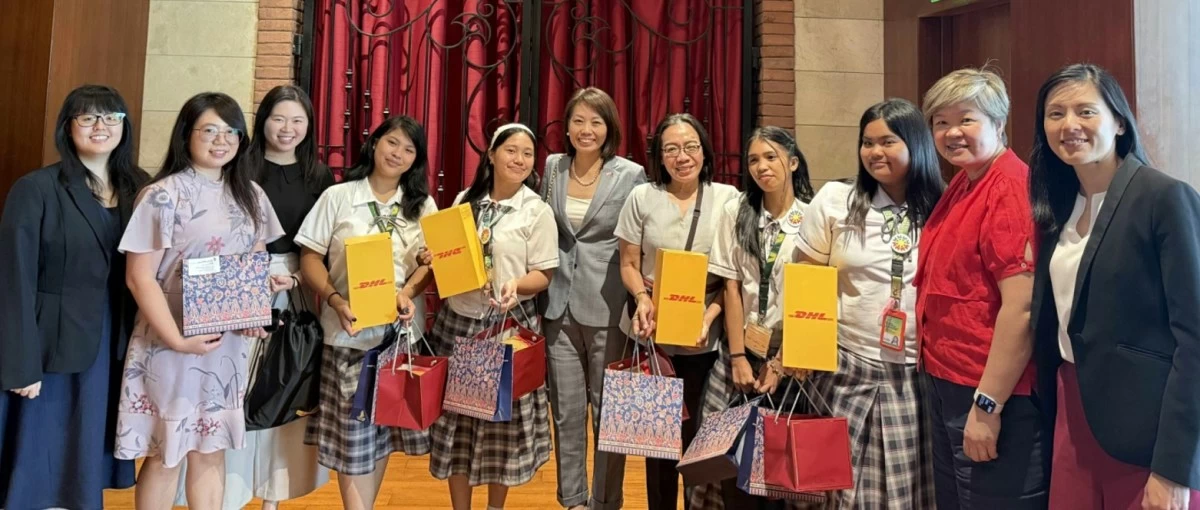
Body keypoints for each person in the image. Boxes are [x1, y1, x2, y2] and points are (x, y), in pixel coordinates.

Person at [1029, 63, 1200, 510]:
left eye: (1086, 111)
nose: (1069, 125)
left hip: (1146, 431)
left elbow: (1196, 339)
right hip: (1072, 408)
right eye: (1055, 113)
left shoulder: (1164, 198)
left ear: (1119, 122)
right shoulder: (1059, 204)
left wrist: (1175, 468)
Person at [115, 92, 285, 509]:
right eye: (209, 130)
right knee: (166, 452)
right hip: (169, 342)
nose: (221, 139)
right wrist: (176, 339)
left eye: (231, 131)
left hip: (224, 345)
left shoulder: (251, 195)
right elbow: (140, 279)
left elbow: (255, 261)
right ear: (186, 135)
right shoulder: (162, 195)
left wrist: (260, 297)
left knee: (211, 449)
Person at [173, 84, 335, 510]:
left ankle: (274, 495)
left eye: (298, 120)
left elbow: (324, 242)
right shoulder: (239, 166)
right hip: (240, 288)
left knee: (282, 381)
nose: (288, 128)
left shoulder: (319, 175)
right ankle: (228, 492)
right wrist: (251, 279)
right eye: (278, 118)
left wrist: (302, 277)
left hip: (297, 288)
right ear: (261, 121)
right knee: (234, 387)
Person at [0, 84, 147, 509]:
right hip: (49, 350)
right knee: (40, 466)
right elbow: (13, 280)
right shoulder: (37, 189)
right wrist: (20, 363)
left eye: (111, 117)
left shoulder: (142, 188)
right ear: (69, 127)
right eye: (88, 118)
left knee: (84, 466)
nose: (100, 127)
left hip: (116, 344)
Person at [794, 99, 943, 508]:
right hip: (845, 370)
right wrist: (802, 350)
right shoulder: (835, 199)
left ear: (917, 144)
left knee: (910, 494)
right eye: (867, 143)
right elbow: (807, 277)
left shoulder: (944, 206)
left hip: (917, 374)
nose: (875, 152)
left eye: (888, 142)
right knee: (840, 493)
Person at [915, 67, 1048, 508]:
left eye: (965, 119)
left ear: (997, 123)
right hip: (948, 380)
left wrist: (986, 407)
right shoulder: (965, 180)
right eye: (940, 122)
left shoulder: (1008, 189)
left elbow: (1022, 310)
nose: (952, 132)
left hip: (991, 390)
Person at [296, 115, 438, 510]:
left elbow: (432, 263)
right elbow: (310, 256)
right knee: (353, 439)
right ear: (374, 143)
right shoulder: (338, 197)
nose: (399, 154)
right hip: (348, 335)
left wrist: (408, 291)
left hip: (399, 340)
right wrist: (334, 299)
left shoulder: (422, 206)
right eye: (392, 143)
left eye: (409, 149)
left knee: (382, 438)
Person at [426, 123, 558, 510]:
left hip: (508, 327)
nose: (519, 160)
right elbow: (448, 253)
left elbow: (545, 273)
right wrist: (432, 257)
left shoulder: (536, 210)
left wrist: (516, 285)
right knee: (459, 426)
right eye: (511, 151)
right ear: (492, 154)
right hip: (460, 325)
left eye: (528, 154)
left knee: (502, 425)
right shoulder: (466, 199)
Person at [615, 113, 739, 510]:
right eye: (671, 149)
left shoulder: (727, 199)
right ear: (659, 156)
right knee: (659, 442)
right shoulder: (642, 197)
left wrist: (709, 316)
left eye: (690, 147)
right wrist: (642, 298)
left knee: (702, 439)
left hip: (707, 334)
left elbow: (733, 278)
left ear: (704, 150)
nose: (682, 157)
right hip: (654, 334)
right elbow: (629, 263)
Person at [540, 87, 645, 510]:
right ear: (566, 128)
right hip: (556, 304)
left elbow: (638, 239)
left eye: (596, 122)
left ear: (609, 129)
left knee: (608, 411)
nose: (587, 130)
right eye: (579, 121)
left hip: (607, 304)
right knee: (566, 411)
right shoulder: (551, 168)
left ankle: (606, 501)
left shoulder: (631, 173)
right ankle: (572, 500)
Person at [698, 125, 814, 510]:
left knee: (783, 472)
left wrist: (783, 363)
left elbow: (813, 300)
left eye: (771, 157)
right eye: (753, 160)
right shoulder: (736, 211)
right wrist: (737, 357)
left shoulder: (813, 219)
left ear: (793, 162)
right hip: (740, 351)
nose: (761, 167)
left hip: (792, 360)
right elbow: (730, 287)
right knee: (729, 466)